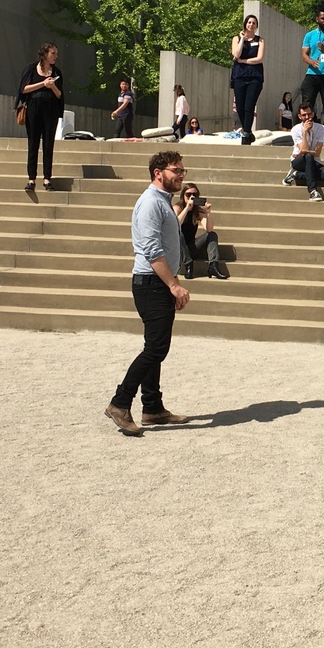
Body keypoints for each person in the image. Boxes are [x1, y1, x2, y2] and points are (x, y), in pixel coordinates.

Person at [104, 150, 194, 436]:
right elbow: (152, 250)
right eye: (176, 170)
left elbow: (166, 247)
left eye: (182, 170)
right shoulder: (150, 204)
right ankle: (120, 403)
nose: (181, 175)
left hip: (158, 283)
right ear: (158, 172)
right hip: (151, 283)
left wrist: (173, 281)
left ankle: (152, 407)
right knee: (156, 348)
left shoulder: (162, 202)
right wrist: (173, 285)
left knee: (155, 346)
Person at [17, 42, 64, 190]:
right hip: (34, 108)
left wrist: (53, 86)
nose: (56, 56)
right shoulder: (31, 68)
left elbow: (60, 95)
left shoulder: (57, 72)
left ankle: (47, 178)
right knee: (33, 143)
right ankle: (31, 179)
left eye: (56, 53)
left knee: (48, 143)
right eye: (53, 53)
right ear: (44, 54)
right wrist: (43, 84)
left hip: (50, 110)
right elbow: (23, 89)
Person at [174, 181, 230, 280]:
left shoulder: (198, 211)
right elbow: (175, 225)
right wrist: (187, 209)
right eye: (188, 195)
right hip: (177, 250)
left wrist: (208, 213)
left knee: (212, 235)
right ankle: (188, 264)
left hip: (190, 247)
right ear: (183, 196)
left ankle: (213, 265)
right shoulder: (177, 208)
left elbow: (209, 229)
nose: (191, 197)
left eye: (194, 195)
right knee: (178, 234)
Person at [230, 13, 265, 145]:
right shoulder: (236, 38)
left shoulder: (260, 40)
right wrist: (242, 40)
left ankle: (245, 134)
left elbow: (259, 59)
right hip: (239, 76)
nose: (251, 25)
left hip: (255, 77)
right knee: (240, 107)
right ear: (245, 24)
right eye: (249, 22)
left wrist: (243, 61)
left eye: (254, 23)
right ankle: (248, 132)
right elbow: (236, 54)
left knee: (249, 106)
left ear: (256, 26)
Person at [284, 104, 324, 202]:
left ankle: (296, 174)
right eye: (304, 115)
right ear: (299, 116)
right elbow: (304, 150)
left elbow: (317, 153)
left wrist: (305, 152)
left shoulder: (321, 128)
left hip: (313, 161)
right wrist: (304, 133)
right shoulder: (295, 130)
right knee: (308, 156)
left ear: (313, 114)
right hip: (298, 161)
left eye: (309, 114)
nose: (307, 117)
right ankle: (312, 191)